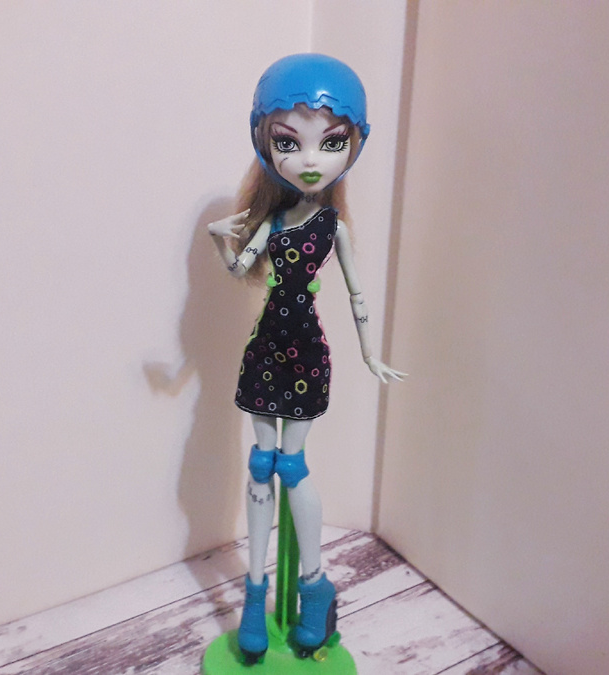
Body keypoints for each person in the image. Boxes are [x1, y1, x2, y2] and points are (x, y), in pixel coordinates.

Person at [205, 53, 405, 664]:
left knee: (292, 467)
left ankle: (313, 584)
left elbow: (358, 294)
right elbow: (241, 269)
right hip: (267, 346)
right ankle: (255, 594)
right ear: (266, 144)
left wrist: (371, 353)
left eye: (332, 142)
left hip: (305, 352)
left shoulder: (332, 227)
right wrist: (220, 240)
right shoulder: (270, 221)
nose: (311, 160)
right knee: (260, 464)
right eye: (289, 143)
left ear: (353, 144)